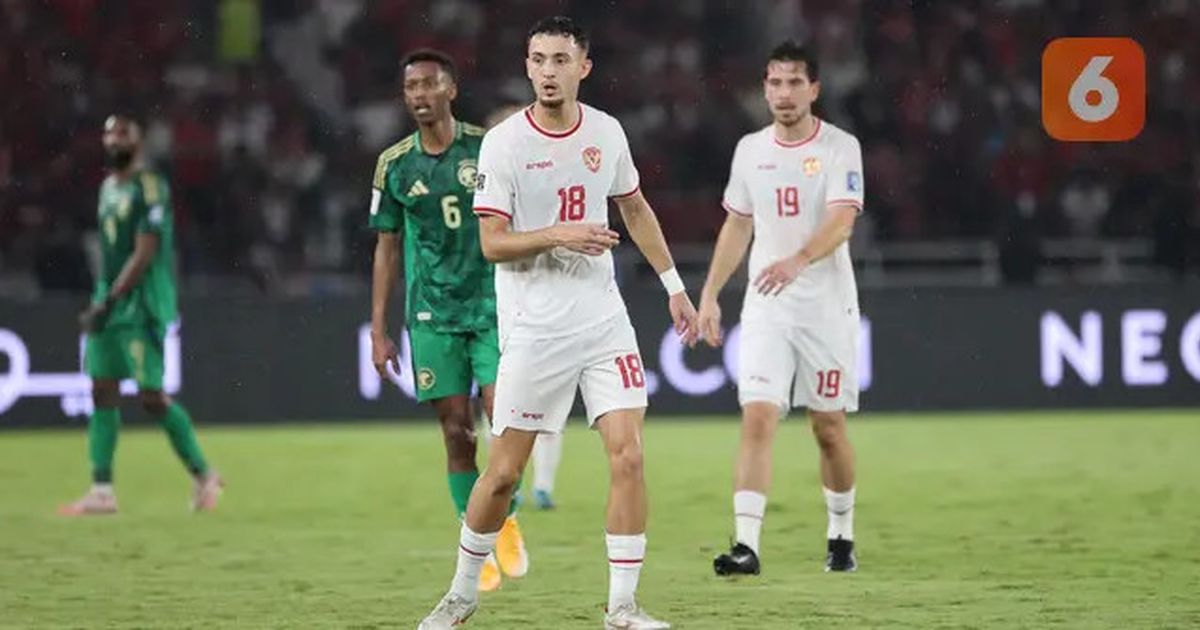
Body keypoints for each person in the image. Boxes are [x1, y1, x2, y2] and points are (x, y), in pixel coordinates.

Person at [418, 16, 698, 630]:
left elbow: (635, 206)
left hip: (602, 322)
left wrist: (675, 286)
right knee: (503, 473)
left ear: (583, 67)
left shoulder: (606, 131)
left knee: (628, 457)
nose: (548, 71)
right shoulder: (504, 144)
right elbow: (492, 243)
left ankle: (622, 607)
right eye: (538, 59)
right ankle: (462, 592)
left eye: (560, 60)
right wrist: (560, 234)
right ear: (527, 67)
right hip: (534, 329)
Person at [697, 42, 865, 575]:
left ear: (814, 89)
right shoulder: (750, 149)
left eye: (794, 83)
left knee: (828, 428)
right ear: (764, 88)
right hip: (768, 306)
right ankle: (747, 546)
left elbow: (842, 221)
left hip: (826, 306)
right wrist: (709, 295)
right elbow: (738, 224)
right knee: (758, 418)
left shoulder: (841, 147)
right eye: (774, 83)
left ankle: (841, 534)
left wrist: (798, 259)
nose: (784, 93)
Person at [368, 50, 528, 593]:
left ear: (451, 89)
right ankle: (475, 536)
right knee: (456, 432)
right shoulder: (394, 164)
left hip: (492, 306)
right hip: (431, 314)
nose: (419, 94)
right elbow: (386, 246)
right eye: (410, 86)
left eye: (429, 84)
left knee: (504, 421)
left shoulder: (488, 148)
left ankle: (503, 520)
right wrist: (378, 327)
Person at [60, 115, 223, 516]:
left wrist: (110, 300)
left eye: (123, 134)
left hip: (140, 302)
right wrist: (103, 296)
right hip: (109, 297)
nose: (114, 140)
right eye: (109, 133)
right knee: (102, 389)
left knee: (151, 397)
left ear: (138, 141)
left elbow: (145, 249)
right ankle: (102, 491)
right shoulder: (107, 188)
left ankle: (204, 474)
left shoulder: (149, 186)